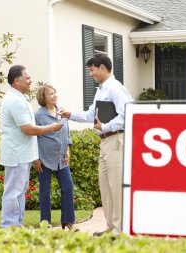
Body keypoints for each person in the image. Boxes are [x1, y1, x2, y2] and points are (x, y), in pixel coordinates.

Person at [60, 53, 132, 235]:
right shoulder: (101, 90)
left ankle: (119, 230)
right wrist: (71, 115)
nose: (90, 74)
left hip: (116, 140)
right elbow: (91, 115)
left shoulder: (116, 88)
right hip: (105, 142)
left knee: (116, 187)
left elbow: (128, 114)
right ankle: (110, 227)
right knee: (105, 187)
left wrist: (105, 126)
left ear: (102, 68)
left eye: (92, 70)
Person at [0, 65, 63, 228]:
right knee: (13, 193)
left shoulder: (21, 98)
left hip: (23, 154)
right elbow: (27, 129)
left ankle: (16, 226)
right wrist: (51, 128)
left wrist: (34, 156)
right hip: (16, 155)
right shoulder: (15, 100)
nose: (30, 81)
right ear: (16, 81)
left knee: (19, 192)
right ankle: (8, 227)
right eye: (27, 78)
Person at [33, 85, 78, 231]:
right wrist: (35, 158)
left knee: (68, 187)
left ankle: (68, 222)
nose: (54, 95)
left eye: (55, 93)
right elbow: (33, 138)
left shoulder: (62, 111)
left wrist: (68, 150)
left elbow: (67, 133)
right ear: (43, 98)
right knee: (45, 191)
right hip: (44, 158)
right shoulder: (38, 116)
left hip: (61, 158)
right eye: (50, 94)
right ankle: (46, 224)